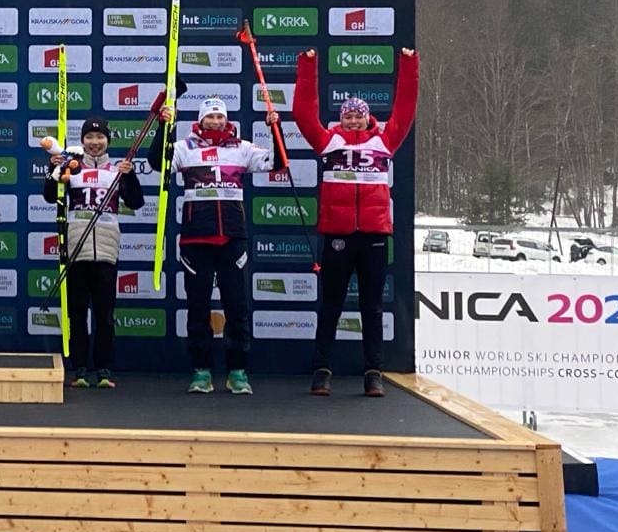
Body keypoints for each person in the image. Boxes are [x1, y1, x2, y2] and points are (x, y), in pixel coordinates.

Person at [292, 47, 419, 398]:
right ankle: (321, 371)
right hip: (337, 233)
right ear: (341, 119)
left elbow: (405, 108)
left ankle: (373, 373)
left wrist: (408, 65)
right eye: (347, 117)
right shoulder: (328, 140)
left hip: (374, 235)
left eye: (357, 118)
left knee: (372, 307)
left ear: (367, 119)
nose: (352, 122)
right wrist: (308, 65)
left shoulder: (385, 140)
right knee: (330, 305)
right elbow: (303, 113)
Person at [152, 95, 283, 395]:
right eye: (210, 117)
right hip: (196, 238)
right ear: (200, 120)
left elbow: (276, 162)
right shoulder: (185, 148)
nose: (215, 122)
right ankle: (201, 371)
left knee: (236, 308)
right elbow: (158, 163)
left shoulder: (241, 148)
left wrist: (275, 129)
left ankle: (237, 371)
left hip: (232, 239)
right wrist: (163, 128)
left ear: (227, 120)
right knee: (198, 309)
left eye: (220, 117)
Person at [43, 116, 146, 388]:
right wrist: (53, 169)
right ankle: (79, 369)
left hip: (107, 250)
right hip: (77, 247)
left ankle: (104, 370)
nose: (95, 142)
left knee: (104, 315)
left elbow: (136, 201)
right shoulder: (72, 167)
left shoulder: (116, 169)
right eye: (89, 137)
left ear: (107, 141)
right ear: (83, 141)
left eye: (100, 138)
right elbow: (49, 195)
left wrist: (130, 174)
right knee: (77, 312)